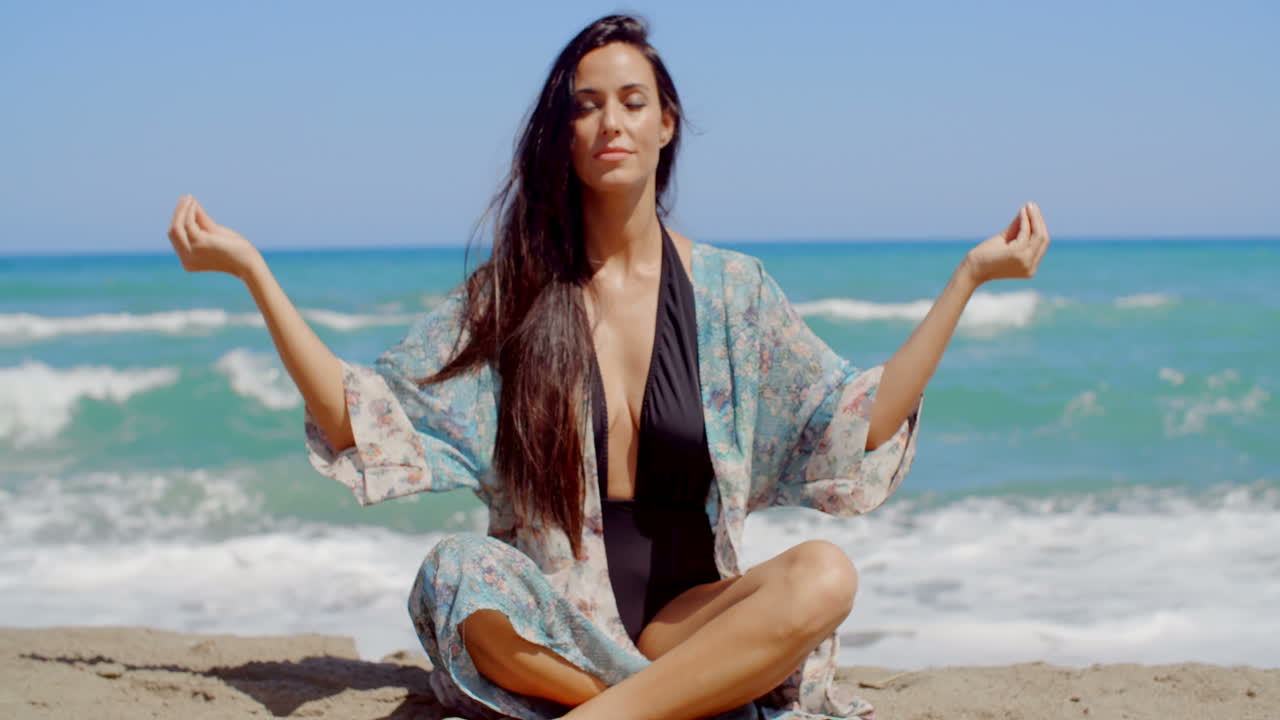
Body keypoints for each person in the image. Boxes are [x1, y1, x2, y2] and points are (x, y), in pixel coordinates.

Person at [166, 13, 1049, 720]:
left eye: (631, 101)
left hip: (687, 625)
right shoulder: (512, 297)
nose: (610, 121)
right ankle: (650, 712)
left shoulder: (735, 295)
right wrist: (254, 274)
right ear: (564, 135)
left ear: (667, 123)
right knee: (453, 572)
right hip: (553, 632)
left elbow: (849, 424)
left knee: (827, 573)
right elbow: (370, 420)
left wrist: (968, 279)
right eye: (586, 105)